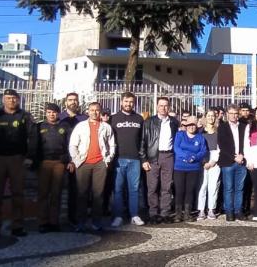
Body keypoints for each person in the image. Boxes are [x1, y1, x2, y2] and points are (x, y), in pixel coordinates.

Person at [0, 89, 33, 239]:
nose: (11, 100)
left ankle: (17, 225)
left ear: (18, 100)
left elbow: (32, 137)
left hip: (17, 158)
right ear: (3, 100)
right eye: (8, 98)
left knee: (18, 193)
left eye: (14, 98)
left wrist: (29, 157)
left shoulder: (25, 116)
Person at [69, 102, 116, 231]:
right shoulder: (81, 126)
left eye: (97, 110)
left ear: (100, 112)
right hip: (83, 163)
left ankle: (96, 222)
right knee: (82, 194)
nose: (94, 112)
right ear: (88, 112)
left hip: (100, 164)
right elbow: (73, 144)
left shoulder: (106, 127)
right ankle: (81, 222)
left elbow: (112, 144)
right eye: (92, 110)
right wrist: (76, 159)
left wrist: (108, 159)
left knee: (98, 194)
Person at [30, 103, 73, 233]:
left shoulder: (65, 126)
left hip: (59, 163)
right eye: (49, 112)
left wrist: (70, 160)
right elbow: (33, 144)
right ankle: (43, 222)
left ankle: (54, 222)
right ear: (46, 113)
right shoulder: (39, 126)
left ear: (58, 113)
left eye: (54, 112)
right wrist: (30, 158)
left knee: (56, 193)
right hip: (44, 163)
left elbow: (70, 144)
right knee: (43, 193)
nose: (51, 114)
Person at [140, 96, 180, 223]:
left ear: (169, 107)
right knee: (152, 187)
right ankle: (153, 213)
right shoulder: (148, 122)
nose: (163, 108)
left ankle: (165, 213)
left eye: (166, 105)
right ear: (157, 106)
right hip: (153, 157)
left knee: (166, 187)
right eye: (161, 105)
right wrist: (144, 159)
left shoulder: (174, 122)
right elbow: (142, 141)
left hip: (168, 156)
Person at [109, 92, 145, 227]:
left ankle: (134, 215)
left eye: (131, 102)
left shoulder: (139, 118)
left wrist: (142, 158)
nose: (128, 104)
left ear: (134, 103)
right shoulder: (113, 118)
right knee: (118, 189)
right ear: (121, 102)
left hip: (135, 159)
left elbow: (142, 140)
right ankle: (118, 216)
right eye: (126, 101)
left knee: (134, 189)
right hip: (118, 159)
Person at [60, 92, 87, 227]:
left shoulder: (84, 118)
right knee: (56, 189)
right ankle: (54, 218)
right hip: (60, 158)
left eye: (75, 100)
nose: (73, 102)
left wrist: (75, 159)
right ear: (66, 102)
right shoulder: (60, 118)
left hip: (78, 159)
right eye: (70, 100)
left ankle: (74, 217)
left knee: (76, 190)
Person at [174, 115, 208, 222]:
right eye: (189, 125)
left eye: (193, 125)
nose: (191, 127)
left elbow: (203, 151)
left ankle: (187, 213)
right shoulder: (180, 135)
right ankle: (178, 214)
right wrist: (187, 156)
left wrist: (195, 157)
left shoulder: (200, 137)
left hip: (193, 168)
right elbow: (176, 148)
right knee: (179, 190)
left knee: (190, 190)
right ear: (186, 125)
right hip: (180, 167)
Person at [217, 104, 247, 221]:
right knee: (228, 188)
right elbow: (222, 145)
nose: (234, 116)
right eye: (232, 113)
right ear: (227, 114)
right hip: (228, 161)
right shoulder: (222, 127)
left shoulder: (243, 127)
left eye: (236, 113)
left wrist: (242, 155)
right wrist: (235, 157)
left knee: (239, 188)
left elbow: (246, 143)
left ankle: (238, 210)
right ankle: (229, 212)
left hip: (241, 161)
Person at [197, 109, 221, 220]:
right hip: (203, 160)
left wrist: (213, 161)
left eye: (213, 116)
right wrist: (203, 161)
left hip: (215, 161)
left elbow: (220, 148)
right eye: (209, 115)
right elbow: (197, 147)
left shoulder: (219, 132)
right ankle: (201, 210)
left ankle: (211, 209)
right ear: (205, 117)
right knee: (202, 186)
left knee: (213, 186)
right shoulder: (200, 132)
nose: (211, 118)